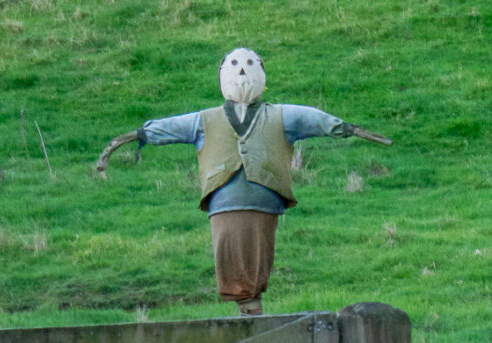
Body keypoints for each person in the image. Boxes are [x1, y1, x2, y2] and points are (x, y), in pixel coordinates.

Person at [97, 47, 387, 315]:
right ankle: (247, 310)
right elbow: (171, 127)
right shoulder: (205, 120)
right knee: (229, 255)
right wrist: (132, 137)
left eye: (249, 63)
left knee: (258, 256)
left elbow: (312, 119)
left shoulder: (280, 116)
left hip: (264, 200)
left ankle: (251, 309)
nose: (242, 70)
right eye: (234, 64)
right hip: (224, 201)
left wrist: (345, 128)